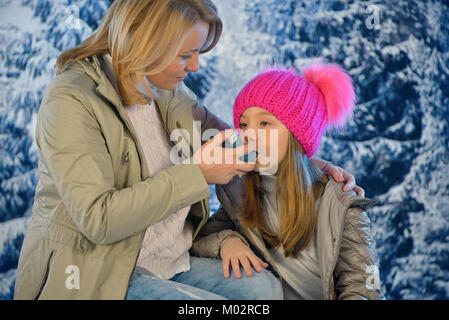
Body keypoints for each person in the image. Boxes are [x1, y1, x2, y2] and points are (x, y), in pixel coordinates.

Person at [14, 0, 362, 300]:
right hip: (99, 269)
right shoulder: (72, 101)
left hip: (170, 261)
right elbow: (98, 220)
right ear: (145, 44)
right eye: (185, 55)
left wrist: (304, 160)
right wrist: (196, 175)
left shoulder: (167, 94)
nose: (194, 66)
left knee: (261, 291)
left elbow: (237, 141)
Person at [192, 63, 385, 300]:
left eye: (265, 123)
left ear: (297, 137)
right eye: (244, 124)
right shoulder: (240, 192)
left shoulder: (341, 206)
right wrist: (226, 241)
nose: (249, 134)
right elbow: (197, 240)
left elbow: (364, 288)